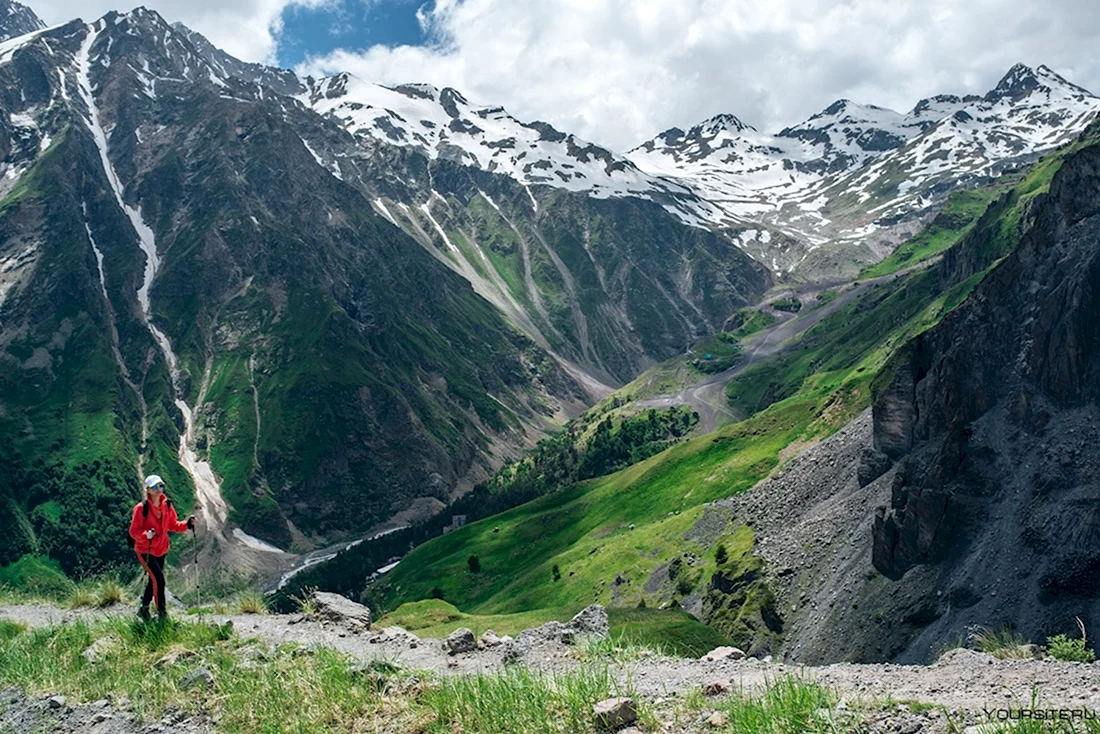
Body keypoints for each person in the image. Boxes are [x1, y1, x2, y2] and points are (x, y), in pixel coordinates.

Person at [129, 474, 195, 621]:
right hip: (145, 550)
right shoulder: (141, 509)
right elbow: (133, 532)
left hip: (161, 549)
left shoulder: (167, 505)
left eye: (160, 485)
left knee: (154, 580)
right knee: (159, 580)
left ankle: (144, 608)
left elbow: (172, 525)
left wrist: (187, 524)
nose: (158, 489)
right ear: (148, 490)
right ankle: (162, 613)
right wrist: (147, 535)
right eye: (154, 487)